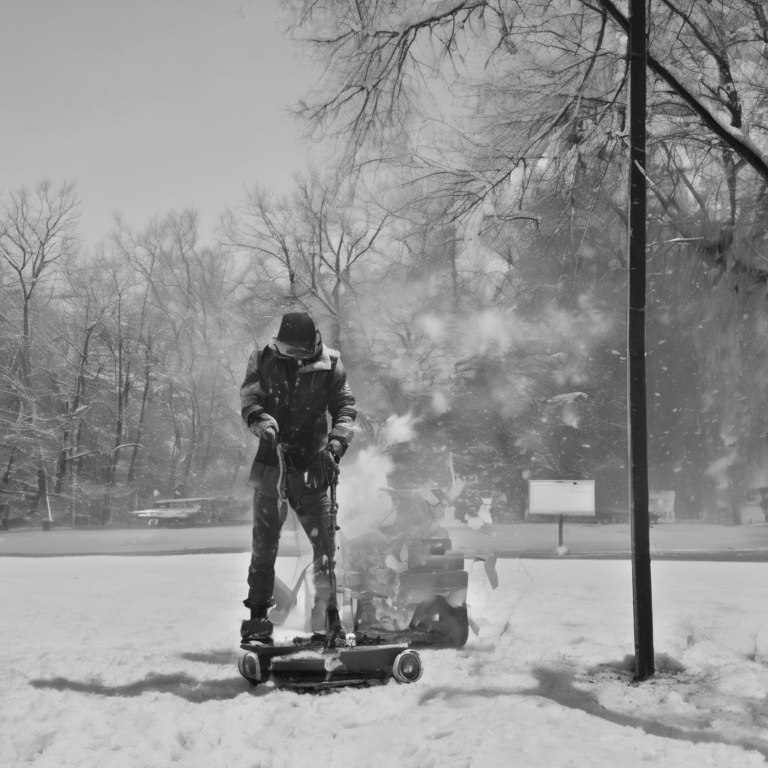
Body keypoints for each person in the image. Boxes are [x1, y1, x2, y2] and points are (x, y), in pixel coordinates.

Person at [239, 312, 357, 644]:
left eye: (295, 351)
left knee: (325, 549)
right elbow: (250, 399)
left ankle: (329, 619)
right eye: (285, 349)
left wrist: (336, 444)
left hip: (313, 466)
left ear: (310, 345)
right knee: (264, 549)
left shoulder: (332, 364)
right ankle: (258, 622)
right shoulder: (263, 358)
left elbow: (346, 407)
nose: (289, 355)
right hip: (270, 466)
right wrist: (260, 420)